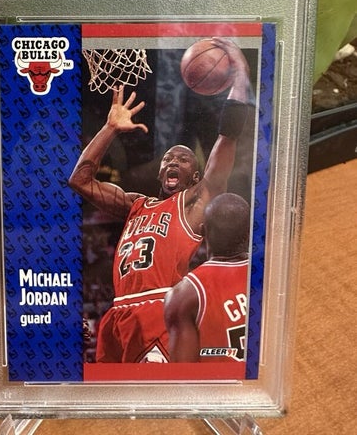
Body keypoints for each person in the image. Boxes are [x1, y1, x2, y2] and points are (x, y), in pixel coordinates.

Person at [69, 38, 251, 363]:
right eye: (167, 159)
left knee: (158, 385)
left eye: (183, 159)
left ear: (196, 177)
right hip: (117, 314)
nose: (172, 162)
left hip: (158, 309)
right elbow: (79, 180)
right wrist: (110, 128)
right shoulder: (135, 205)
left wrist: (240, 79)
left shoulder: (193, 206)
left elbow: (227, 139)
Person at [164, 193, 250, 370]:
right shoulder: (272, 276)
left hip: (221, 385)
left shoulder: (183, 295)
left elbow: (181, 374)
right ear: (249, 231)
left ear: (203, 231)